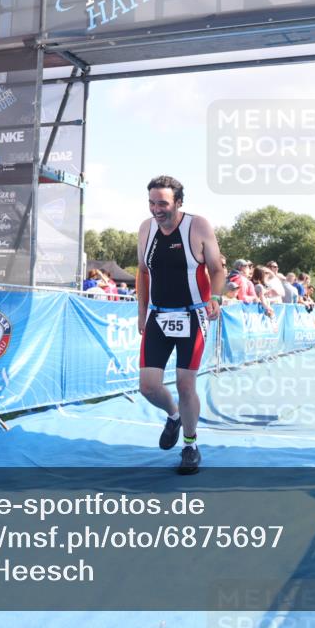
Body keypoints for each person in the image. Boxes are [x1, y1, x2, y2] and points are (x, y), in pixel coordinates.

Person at [137, 175, 224, 475]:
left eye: (163, 203)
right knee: (148, 386)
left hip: (192, 315)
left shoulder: (197, 226)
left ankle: (190, 445)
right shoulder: (146, 230)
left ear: (178, 203)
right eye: (151, 202)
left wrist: (215, 297)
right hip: (158, 316)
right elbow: (142, 272)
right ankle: (173, 416)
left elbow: (216, 268)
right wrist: (141, 312)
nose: (156, 209)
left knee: (186, 384)